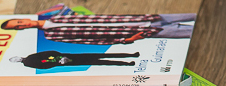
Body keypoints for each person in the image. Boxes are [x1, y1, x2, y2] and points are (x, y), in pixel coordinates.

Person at [0, 13, 196, 44]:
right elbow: (90, 40)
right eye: (19, 27)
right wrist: (126, 40)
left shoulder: (60, 15)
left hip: (144, 18)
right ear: (22, 29)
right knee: (194, 34)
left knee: (200, 15)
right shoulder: (52, 36)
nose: (23, 24)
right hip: (144, 32)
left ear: (23, 19)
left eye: (19, 21)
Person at [10, 50, 138, 69]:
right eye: (14, 60)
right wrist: (59, 62)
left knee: (102, 55)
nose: (17, 59)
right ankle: (128, 64)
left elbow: (47, 53)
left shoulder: (30, 56)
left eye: (15, 58)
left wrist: (60, 56)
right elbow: (44, 65)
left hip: (69, 56)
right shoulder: (28, 63)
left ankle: (131, 55)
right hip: (67, 62)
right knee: (101, 62)